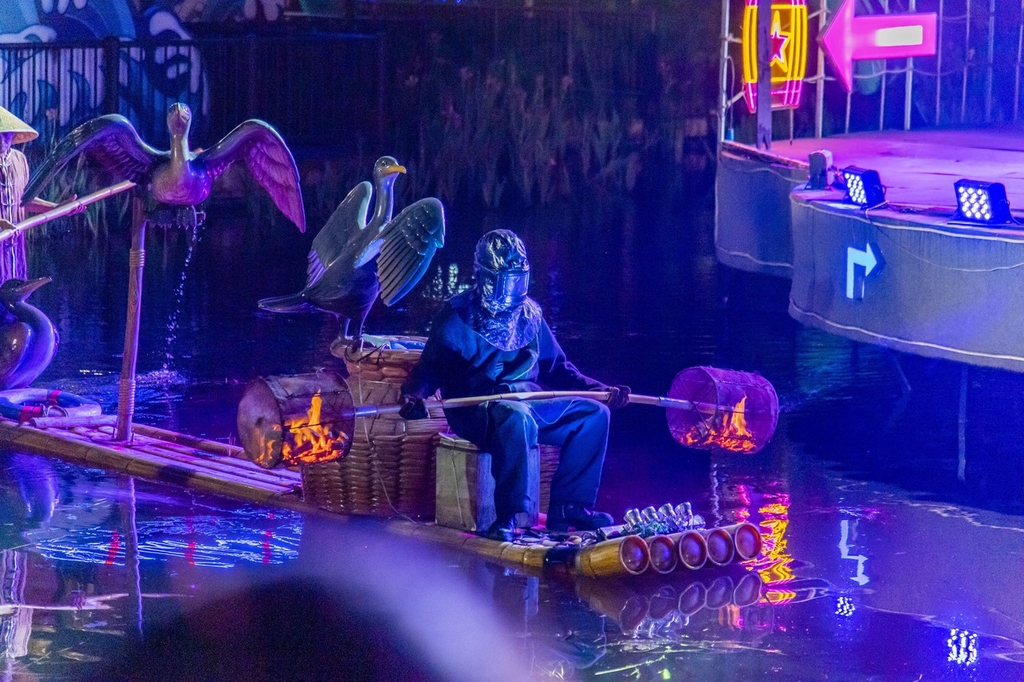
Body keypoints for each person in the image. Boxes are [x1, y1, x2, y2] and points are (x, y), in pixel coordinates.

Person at [399, 229, 630, 541]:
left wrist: (601, 390)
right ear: (484, 276)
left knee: (594, 415)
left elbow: (558, 368)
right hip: (479, 408)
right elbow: (430, 368)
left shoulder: (530, 314)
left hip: (530, 401)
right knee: (516, 417)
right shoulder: (456, 316)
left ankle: (570, 507)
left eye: (518, 278)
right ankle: (509, 515)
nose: (512, 288)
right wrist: (414, 395)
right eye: (504, 279)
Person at [0, 106, 65, 282]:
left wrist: (57, 208)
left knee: (14, 290)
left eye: (6, 135)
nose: (2, 140)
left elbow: (24, 200)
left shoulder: (19, 160)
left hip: (14, 242)